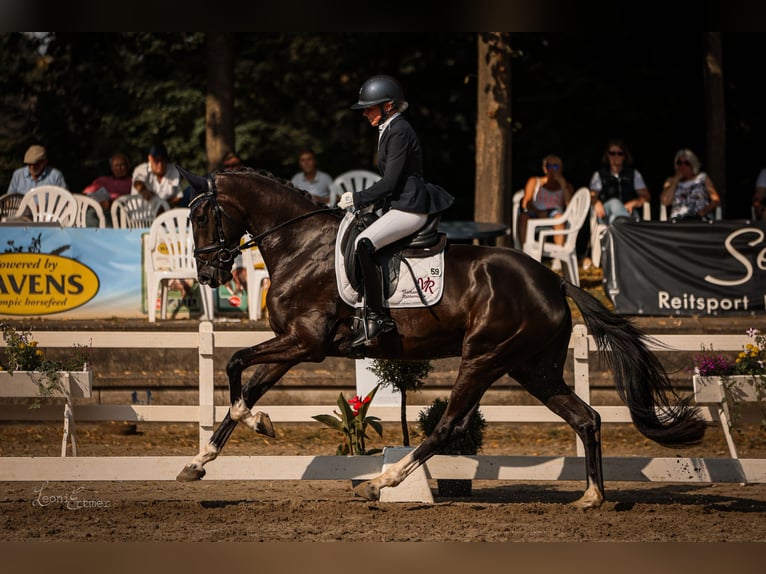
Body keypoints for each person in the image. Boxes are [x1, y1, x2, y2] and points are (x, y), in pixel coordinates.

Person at [338, 74, 454, 347]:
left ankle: (377, 317)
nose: (365, 112)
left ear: (387, 106)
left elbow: (391, 182)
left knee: (363, 243)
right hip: (399, 203)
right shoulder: (389, 129)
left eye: (369, 107)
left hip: (411, 208)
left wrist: (357, 197)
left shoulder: (400, 130)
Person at [585, 139, 651, 268]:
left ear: (625, 156)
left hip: (627, 212)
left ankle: (619, 261)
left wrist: (634, 202)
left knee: (617, 218)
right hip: (605, 213)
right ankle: (635, 249)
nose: (615, 157)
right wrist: (596, 202)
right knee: (615, 203)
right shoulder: (599, 175)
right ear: (607, 155)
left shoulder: (633, 174)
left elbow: (646, 196)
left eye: (619, 153)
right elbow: (592, 196)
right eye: (612, 153)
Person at [517, 154, 574, 266]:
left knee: (559, 218)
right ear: (544, 168)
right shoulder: (534, 181)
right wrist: (539, 212)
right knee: (523, 217)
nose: (552, 169)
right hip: (536, 213)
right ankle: (525, 254)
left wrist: (563, 186)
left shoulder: (567, 186)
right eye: (549, 166)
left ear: (561, 168)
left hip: (555, 215)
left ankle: (558, 257)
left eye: (555, 166)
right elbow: (526, 202)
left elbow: (570, 206)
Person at [660, 148, 721, 221]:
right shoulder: (670, 181)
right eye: (679, 163)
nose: (682, 166)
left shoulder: (703, 178)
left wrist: (703, 211)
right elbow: (665, 201)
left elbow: (716, 200)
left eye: (686, 163)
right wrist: (675, 180)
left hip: (700, 219)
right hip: (678, 220)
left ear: (693, 165)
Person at [82, 152, 132, 223]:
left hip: (120, 212)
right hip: (96, 207)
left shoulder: (132, 182)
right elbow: (85, 194)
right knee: (90, 212)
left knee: (92, 214)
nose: (119, 168)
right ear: (112, 168)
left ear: (128, 166)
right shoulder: (102, 180)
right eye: (116, 165)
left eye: (122, 165)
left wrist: (110, 203)